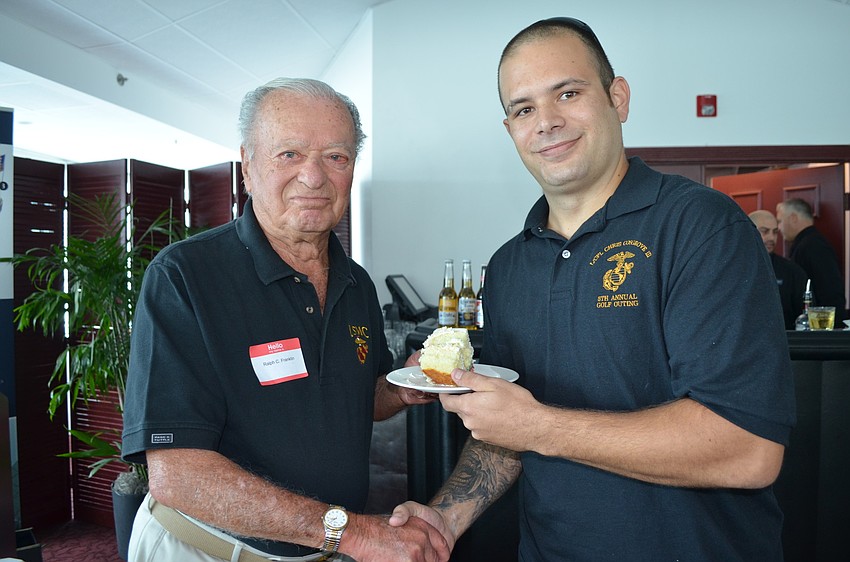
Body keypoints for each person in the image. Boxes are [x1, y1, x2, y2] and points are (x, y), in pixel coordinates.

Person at [390, 17, 796, 561]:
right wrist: (446, 516)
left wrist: (539, 426)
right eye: (524, 108)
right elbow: (509, 429)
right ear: (510, 128)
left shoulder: (701, 226)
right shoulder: (510, 266)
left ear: (618, 98)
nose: (547, 122)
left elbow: (747, 450)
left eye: (568, 93)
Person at [121, 78, 450, 562]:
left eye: (336, 157)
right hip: (207, 550)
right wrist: (355, 535)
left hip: (320, 549)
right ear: (248, 167)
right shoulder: (184, 277)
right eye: (289, 154)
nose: (314, 177)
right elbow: (179, 475)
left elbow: (361, 397)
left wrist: (400, 389)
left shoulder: (356, 284)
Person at [776, 198, 845, 322]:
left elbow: (831, 292)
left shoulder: (813, 246)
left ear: (793, 218)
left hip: (820, 329)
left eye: (780, 221)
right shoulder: (808, 244)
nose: (779, 228)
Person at [749, 210, 808, 329]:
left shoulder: (791, 271)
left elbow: (805, 317)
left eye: (775, 232)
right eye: (764, 231)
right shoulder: (732, 266)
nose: (771, 238)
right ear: (749, 231)